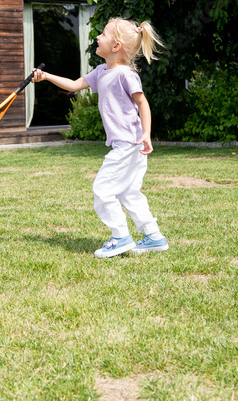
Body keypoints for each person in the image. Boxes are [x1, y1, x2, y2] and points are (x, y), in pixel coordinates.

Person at [32, 17, 169, 258]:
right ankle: (153, 236)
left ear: (116, 46)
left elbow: (143, 103)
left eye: (103, 34)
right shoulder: (101, 72)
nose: (98, 37)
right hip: (128, 145)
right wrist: (46, 77)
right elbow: (74, 85)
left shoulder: (125, 75)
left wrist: (146, 133)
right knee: (128, 192)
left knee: (102, 189)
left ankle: (120, 237)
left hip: (129, 144)